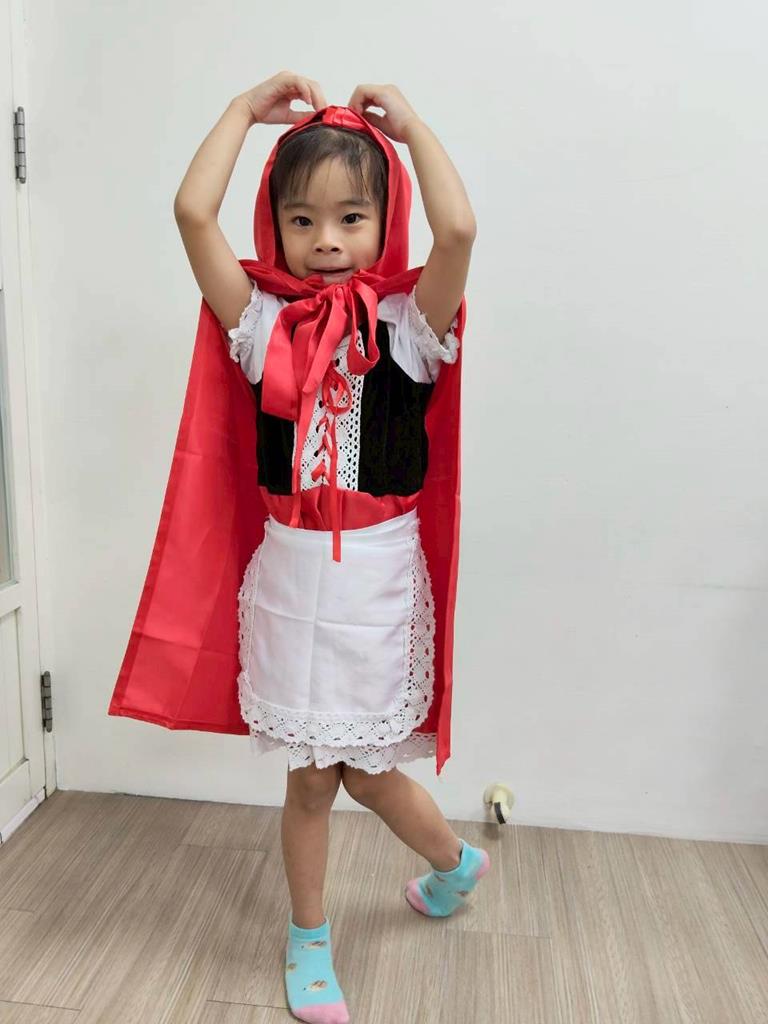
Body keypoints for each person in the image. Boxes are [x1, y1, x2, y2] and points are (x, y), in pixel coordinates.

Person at [164, 71, 490, 1023]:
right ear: (276, 227)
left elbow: (460, 230)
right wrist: (239, 113)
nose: (328, 240)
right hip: (289, 573)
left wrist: (412, 127)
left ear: (386, 223)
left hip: (378, 578)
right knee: (312, 779)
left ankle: (453, 862)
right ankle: (309, 939)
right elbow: (191, 214)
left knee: (368, 772)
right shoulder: (259, 323)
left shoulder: (410, 328)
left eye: (352, 217)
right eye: (302, 220)